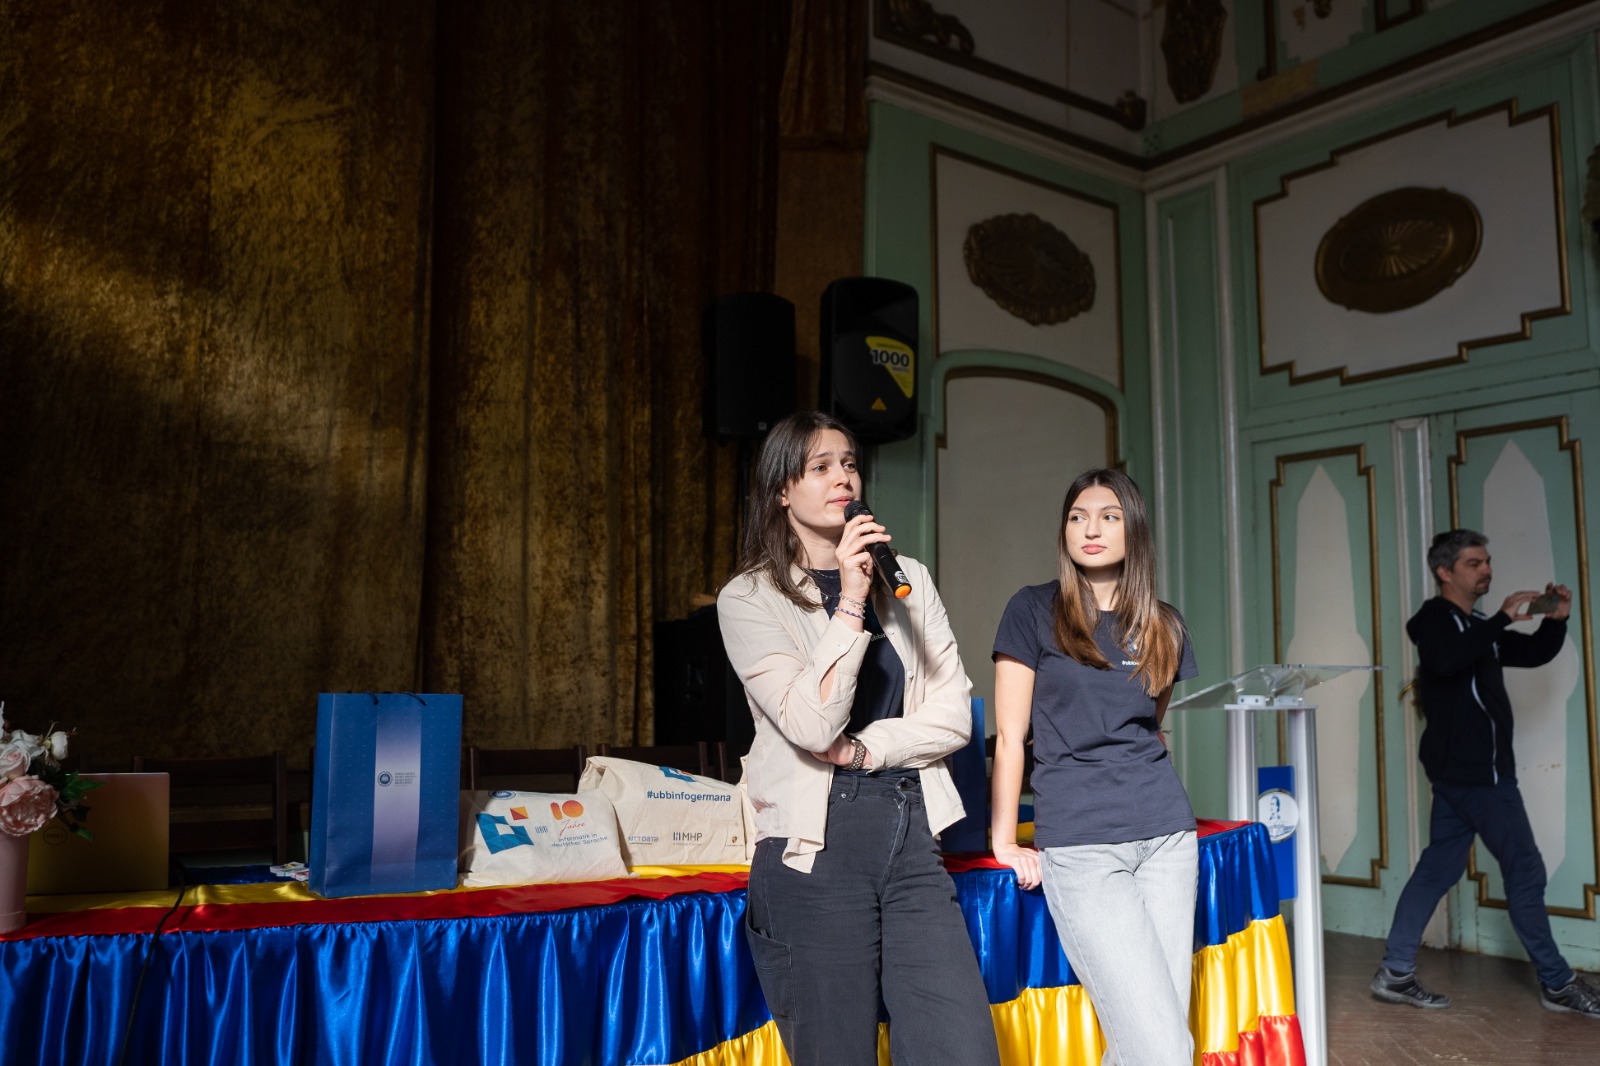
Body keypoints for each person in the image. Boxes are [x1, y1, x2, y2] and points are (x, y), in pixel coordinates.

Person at [716, 411, 1001, 1066]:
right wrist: (849, 600)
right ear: (781, 490)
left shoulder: (909, 580)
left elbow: (954, 716)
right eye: (819, 467)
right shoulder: (749, 598)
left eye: (848, 463)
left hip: (911, 829)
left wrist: (868, 748)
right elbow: (812, 724)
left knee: (962, 1051)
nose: (842, 477)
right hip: (813, 847)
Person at [989, 468, 1199, 1065]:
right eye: (1078, 517)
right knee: (1162, 1049)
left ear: (1135, 530)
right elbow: (1012, 737)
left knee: (1153, 1043)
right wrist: (1003, 839)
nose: (1091, 529)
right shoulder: (1033, 609)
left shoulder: (1164, 623)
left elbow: (1150, 725)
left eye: (1109, 517)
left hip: (1167, 837)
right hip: (1082, 844)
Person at [1371, 529, 1600, 1016]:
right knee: (1526, 870)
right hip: (1479, 776)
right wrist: (1499, 619)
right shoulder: (1436, 619)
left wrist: (1555, 621)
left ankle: (1395, 971)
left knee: (1438, 869)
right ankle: (1557, 982)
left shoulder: (1477, 625)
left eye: (1488, 561)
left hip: (1465, 775)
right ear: (1444, 571)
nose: (1487, 570)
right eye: (1474, 563)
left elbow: (1531, 654)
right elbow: (1445, 660)